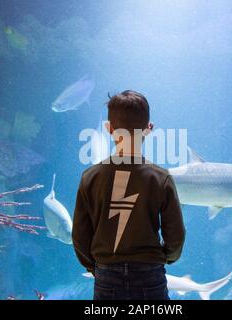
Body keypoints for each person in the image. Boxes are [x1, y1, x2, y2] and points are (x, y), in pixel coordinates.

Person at [72, 90, 185, 300]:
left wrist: (94, 266)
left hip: (106, 277)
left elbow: (79, 235)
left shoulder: (90, 177)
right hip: (150, 276)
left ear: (109, 129)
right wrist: (165, 258)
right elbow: (175, 235)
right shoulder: (161, 178)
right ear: (149, 130)